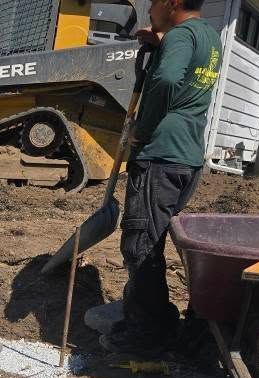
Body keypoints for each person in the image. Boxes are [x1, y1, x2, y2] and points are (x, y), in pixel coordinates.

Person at [101, 0, 222, 356]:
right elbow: (185, 75)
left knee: (140, 244)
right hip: (186, 156)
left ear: (171, 3)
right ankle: (159, 320)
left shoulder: (181, 35)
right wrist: (159, 42)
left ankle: (148, 332)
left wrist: (143, 127)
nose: (149, 9)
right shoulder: (208, 36)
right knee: (153, 240)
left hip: (160, 153)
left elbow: (168, 78)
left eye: (153, 3)